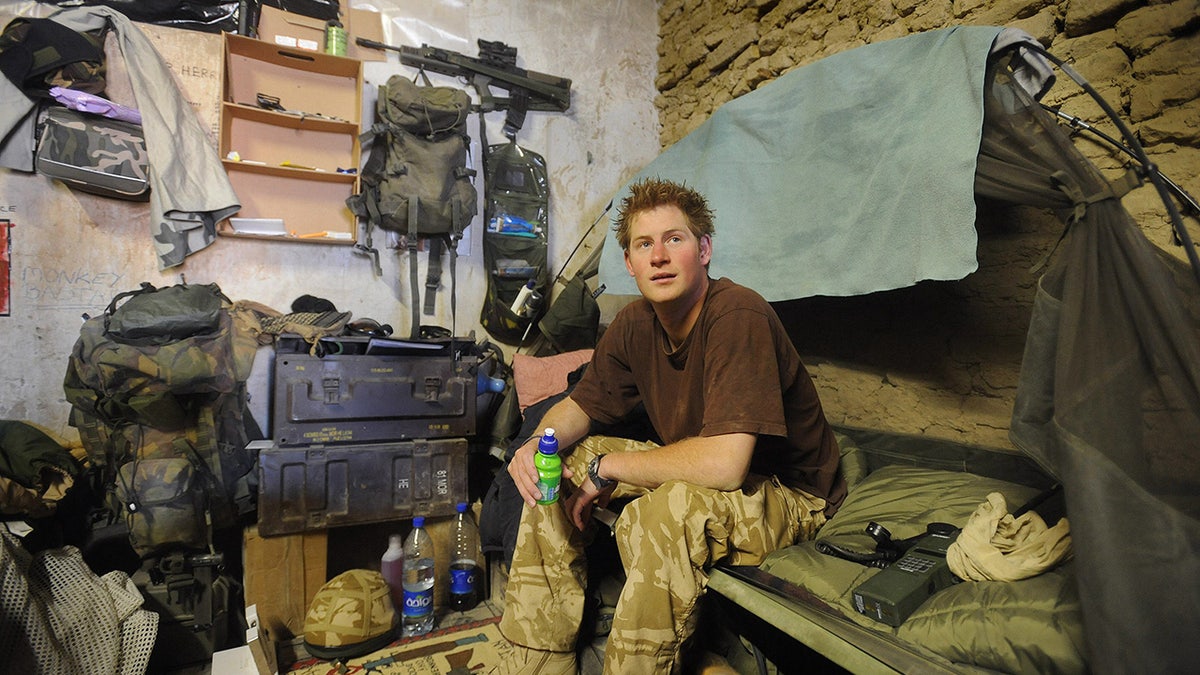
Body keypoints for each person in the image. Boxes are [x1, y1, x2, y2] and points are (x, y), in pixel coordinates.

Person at [495, 177, 846, 674]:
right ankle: (537, 661)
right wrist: (534, 445)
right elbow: (580, 406)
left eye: (674, 239)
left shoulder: (736, 313)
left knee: (663, 513)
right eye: (644, 244)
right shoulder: (635, 323)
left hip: (791, 496)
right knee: (553, 465)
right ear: (630, 263)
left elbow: (726, 465)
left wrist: (611, 467)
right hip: (714, 470)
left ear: (703, 250)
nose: (658, 256)